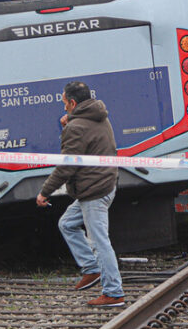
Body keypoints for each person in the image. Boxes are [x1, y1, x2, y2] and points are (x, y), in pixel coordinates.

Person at [36, 80, 124, 307]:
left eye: (65, 102)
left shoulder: (76, 127)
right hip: (104, 184)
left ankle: (113, 292)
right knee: (67, 223)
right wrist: (71, 122)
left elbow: (67, 166)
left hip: (93, 191)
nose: (63, 107)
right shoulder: (99, 115)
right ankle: (92, 269)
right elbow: (86, 138)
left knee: (99, 243)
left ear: (73, 102)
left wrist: (45, 192)